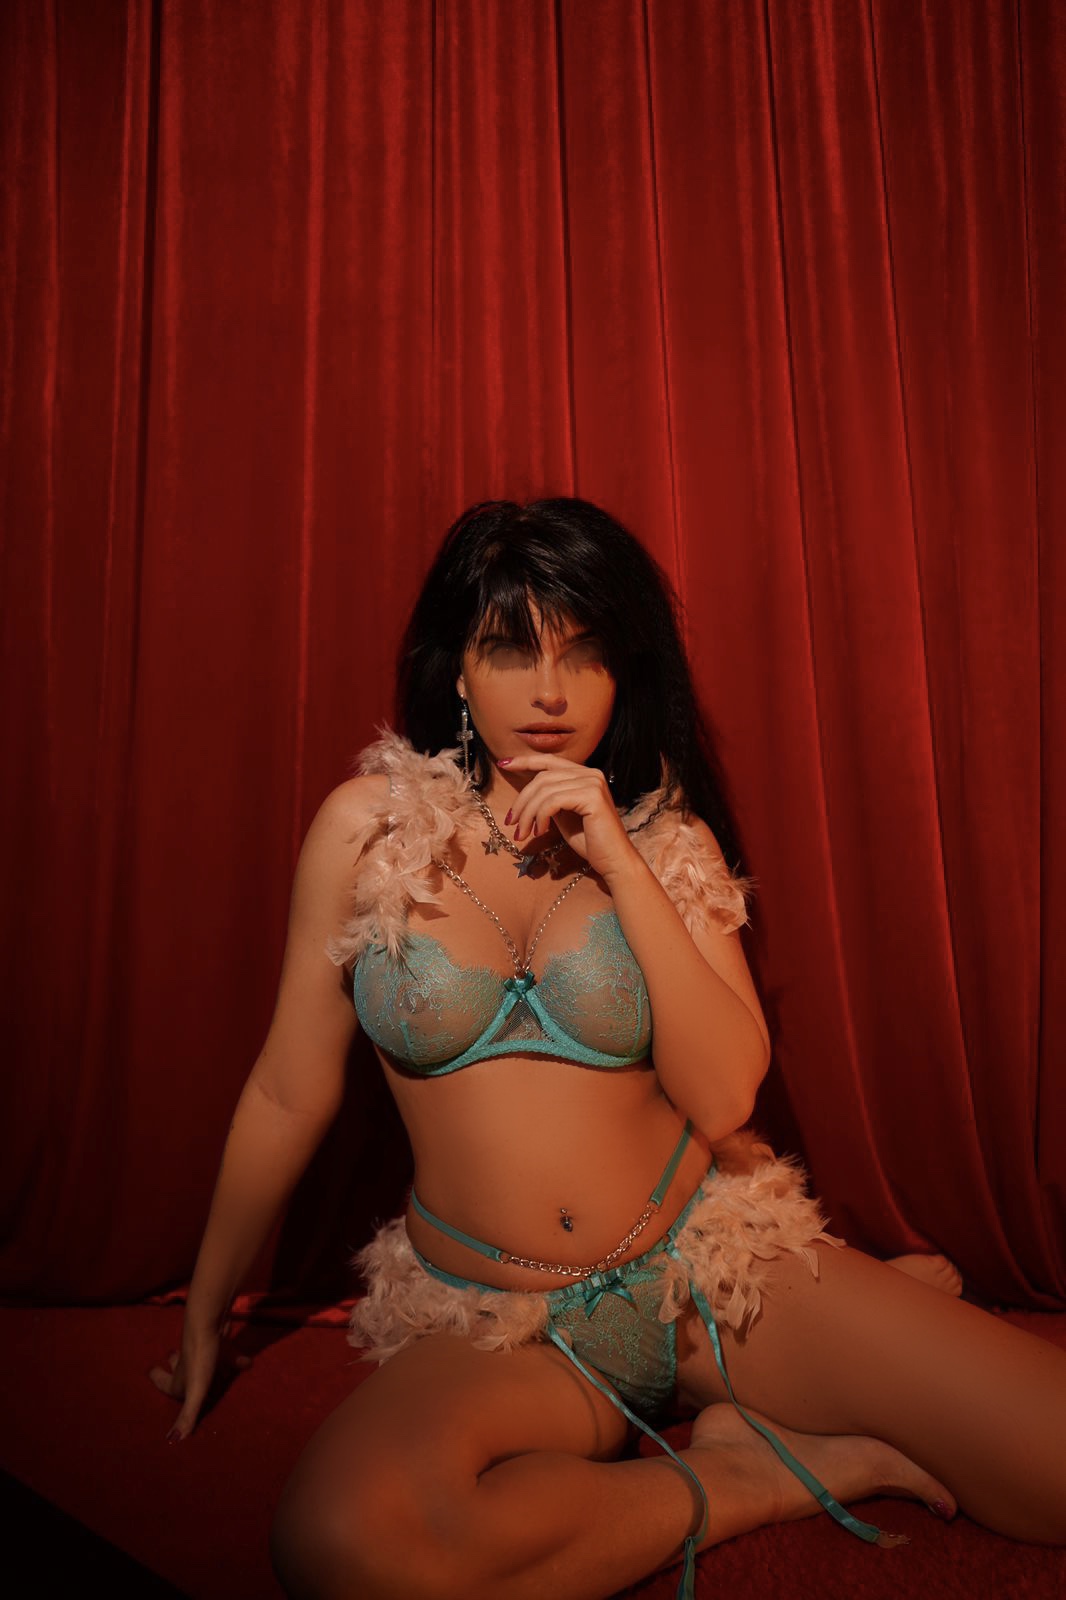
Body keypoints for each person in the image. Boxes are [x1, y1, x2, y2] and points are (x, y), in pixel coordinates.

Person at [152, 499, 1066, 1600]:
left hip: (706, 1275)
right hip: (502, 1326)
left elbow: (723, 1100)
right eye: (511, 648)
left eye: (584, 653)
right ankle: (749, 1472)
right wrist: (209, 1306)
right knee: (345, 1544)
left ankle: (828, 1350)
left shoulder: (671, 843)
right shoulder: (365, 833)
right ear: (457, 670)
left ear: (623, 674)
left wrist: (623, 867)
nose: (550, 692)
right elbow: (285, 1092)